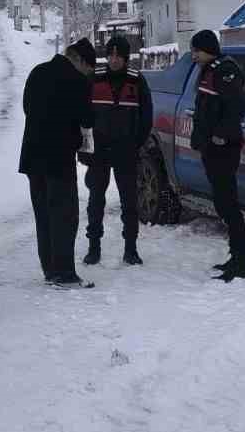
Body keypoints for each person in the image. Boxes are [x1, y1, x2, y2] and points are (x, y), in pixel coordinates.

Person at [18, 38, 96, 287]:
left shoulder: (37, 72)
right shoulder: (77, 81)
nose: (88, 74)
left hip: (32, 157)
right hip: (59, 158)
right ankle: (64, 274)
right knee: (64, 216)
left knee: (43, 215)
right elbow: (87, 118)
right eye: (89, 69)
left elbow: (27, 107)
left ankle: (50, 270)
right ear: (80, 61)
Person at [83, 34, 153, 267]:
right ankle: (94, 247)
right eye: (110, 54)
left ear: (125, 57)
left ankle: (130, 249)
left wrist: (137, 144)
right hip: (99, 152)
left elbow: (146, 117)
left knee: (129, 202)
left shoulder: (137, 81)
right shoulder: (94, 79)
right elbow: (81, 116)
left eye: (118, 55)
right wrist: (84, 148)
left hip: (126, 151)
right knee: (96, 201)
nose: (114, 59)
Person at [189, 28, 245, 281]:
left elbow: (238, 106)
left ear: (208, 49)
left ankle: (243, 263)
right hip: (211, 147)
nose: (193, 55)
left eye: (196, 50)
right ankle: (235, 257)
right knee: (222, 202)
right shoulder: (209, 69)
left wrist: (221, 135)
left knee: (228, 204)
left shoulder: (226, 70)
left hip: (223, 147)